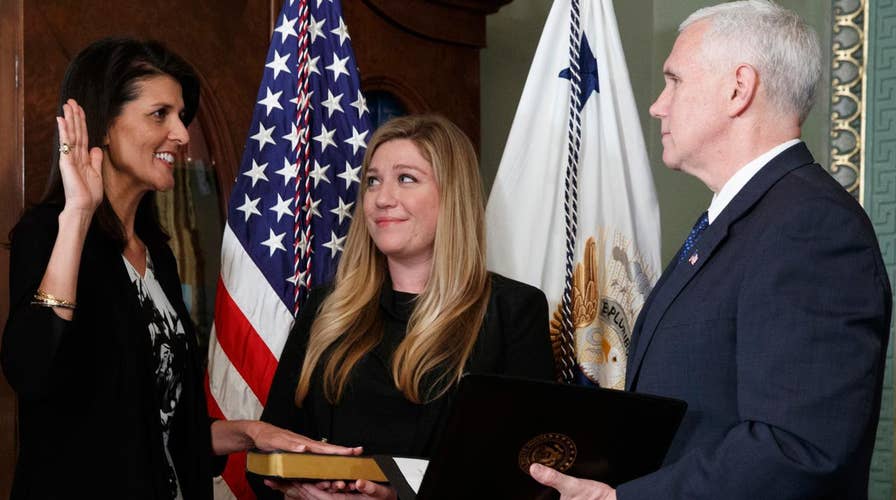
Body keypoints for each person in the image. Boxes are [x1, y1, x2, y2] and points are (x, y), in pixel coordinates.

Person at [531, 1, 892, 499]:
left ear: (738, 89)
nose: (658, 104)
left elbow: (797, 448)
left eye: (674, 80)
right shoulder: (744, 218)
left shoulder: (812, 227)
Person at [1, 38, 354, 499]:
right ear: (105, 124)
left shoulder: (158, 256)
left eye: (182, 116)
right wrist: (78, 216)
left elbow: (164, 427)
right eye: (159, 114)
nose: (183, 134)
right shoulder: (50, 232)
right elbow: (31, 371)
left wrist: (252, 435)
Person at [252, 114, 556, 499]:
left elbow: (529, 474)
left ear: (453, 194)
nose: (382, 198)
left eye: (406, 178)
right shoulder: (328, 307)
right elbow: (268, 450)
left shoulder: (512, 310)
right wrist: (296, 489)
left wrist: (400, 496)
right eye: (373, 180)